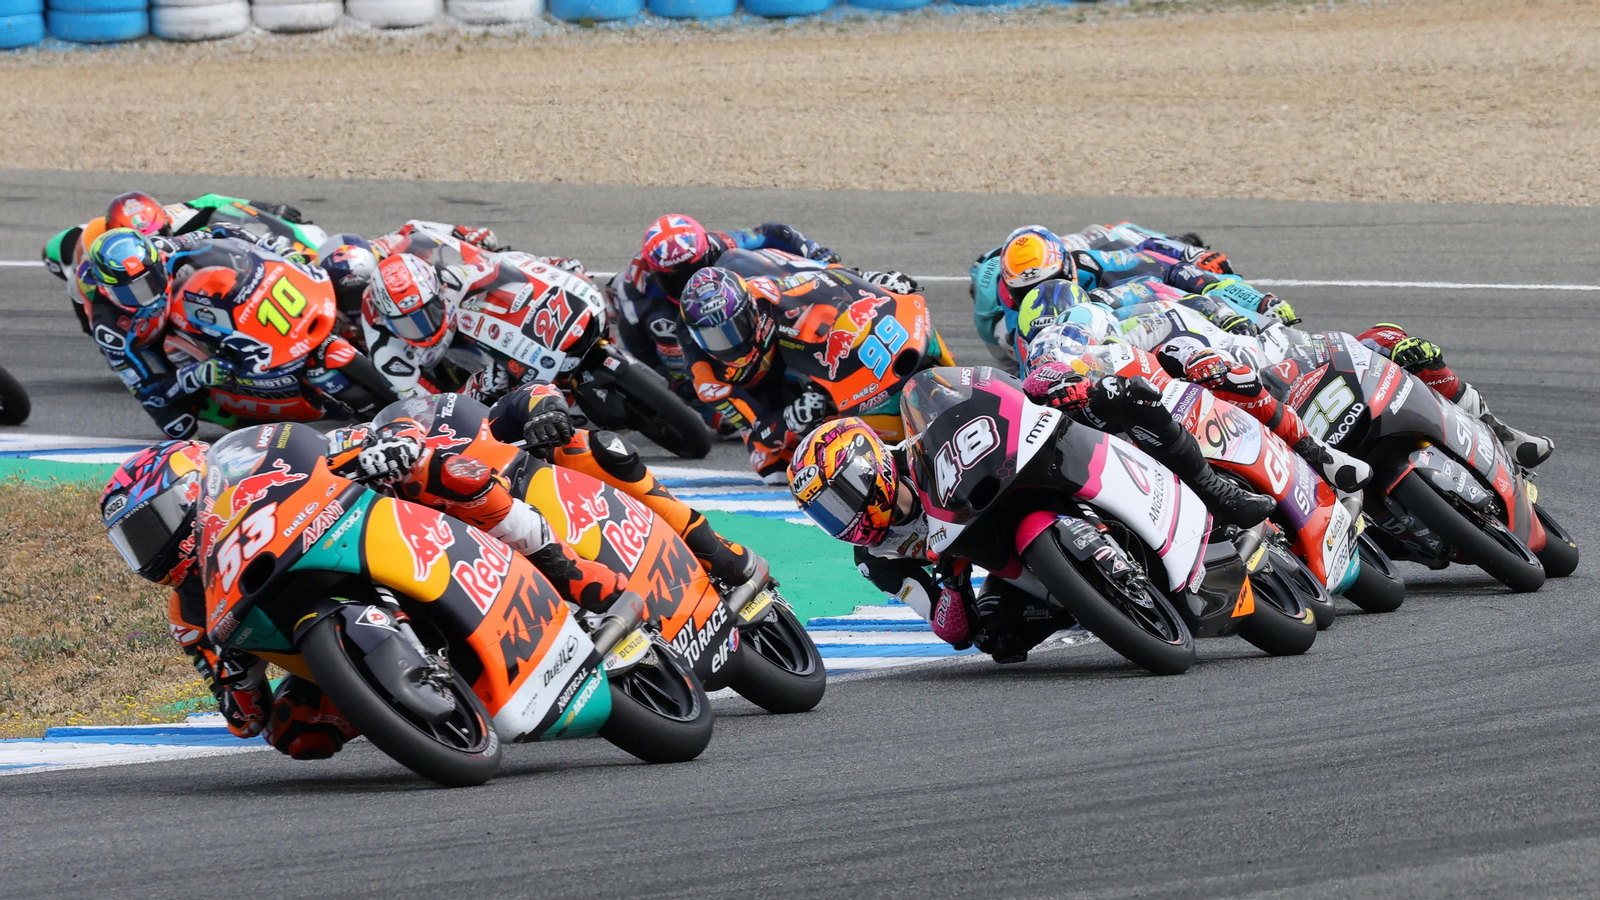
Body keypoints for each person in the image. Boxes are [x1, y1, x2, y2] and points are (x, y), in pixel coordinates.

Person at [99, 424, 634, 760]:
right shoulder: (188, 613)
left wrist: (378, 447)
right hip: (313, 621)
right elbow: (245, 719)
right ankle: (411, 707)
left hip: (390, 533)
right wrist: (238, 677)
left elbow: (331, 444)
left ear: (196, 491)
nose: (152, 550)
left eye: (154, 525)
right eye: (134, 543)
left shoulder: (252, 475)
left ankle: (560, 564)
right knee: (295, 733)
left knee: (440, 469)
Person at [483, 382, 765, 587]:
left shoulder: (450, 411)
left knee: (590, 447)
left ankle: (708, 544)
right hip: (489, 530)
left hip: (536, 480)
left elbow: (531, 393)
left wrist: (547, 411)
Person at [678, 266, 935, 482]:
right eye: (713, 337)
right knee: (771, 466)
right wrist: (793, 417)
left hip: (786, 354)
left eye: (735, 327)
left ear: (751, 309)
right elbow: (757, 431)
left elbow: (824, 278)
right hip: (761, 393)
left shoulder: (762, 292)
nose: (729, 343)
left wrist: (871, 281)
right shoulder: (708, 379)